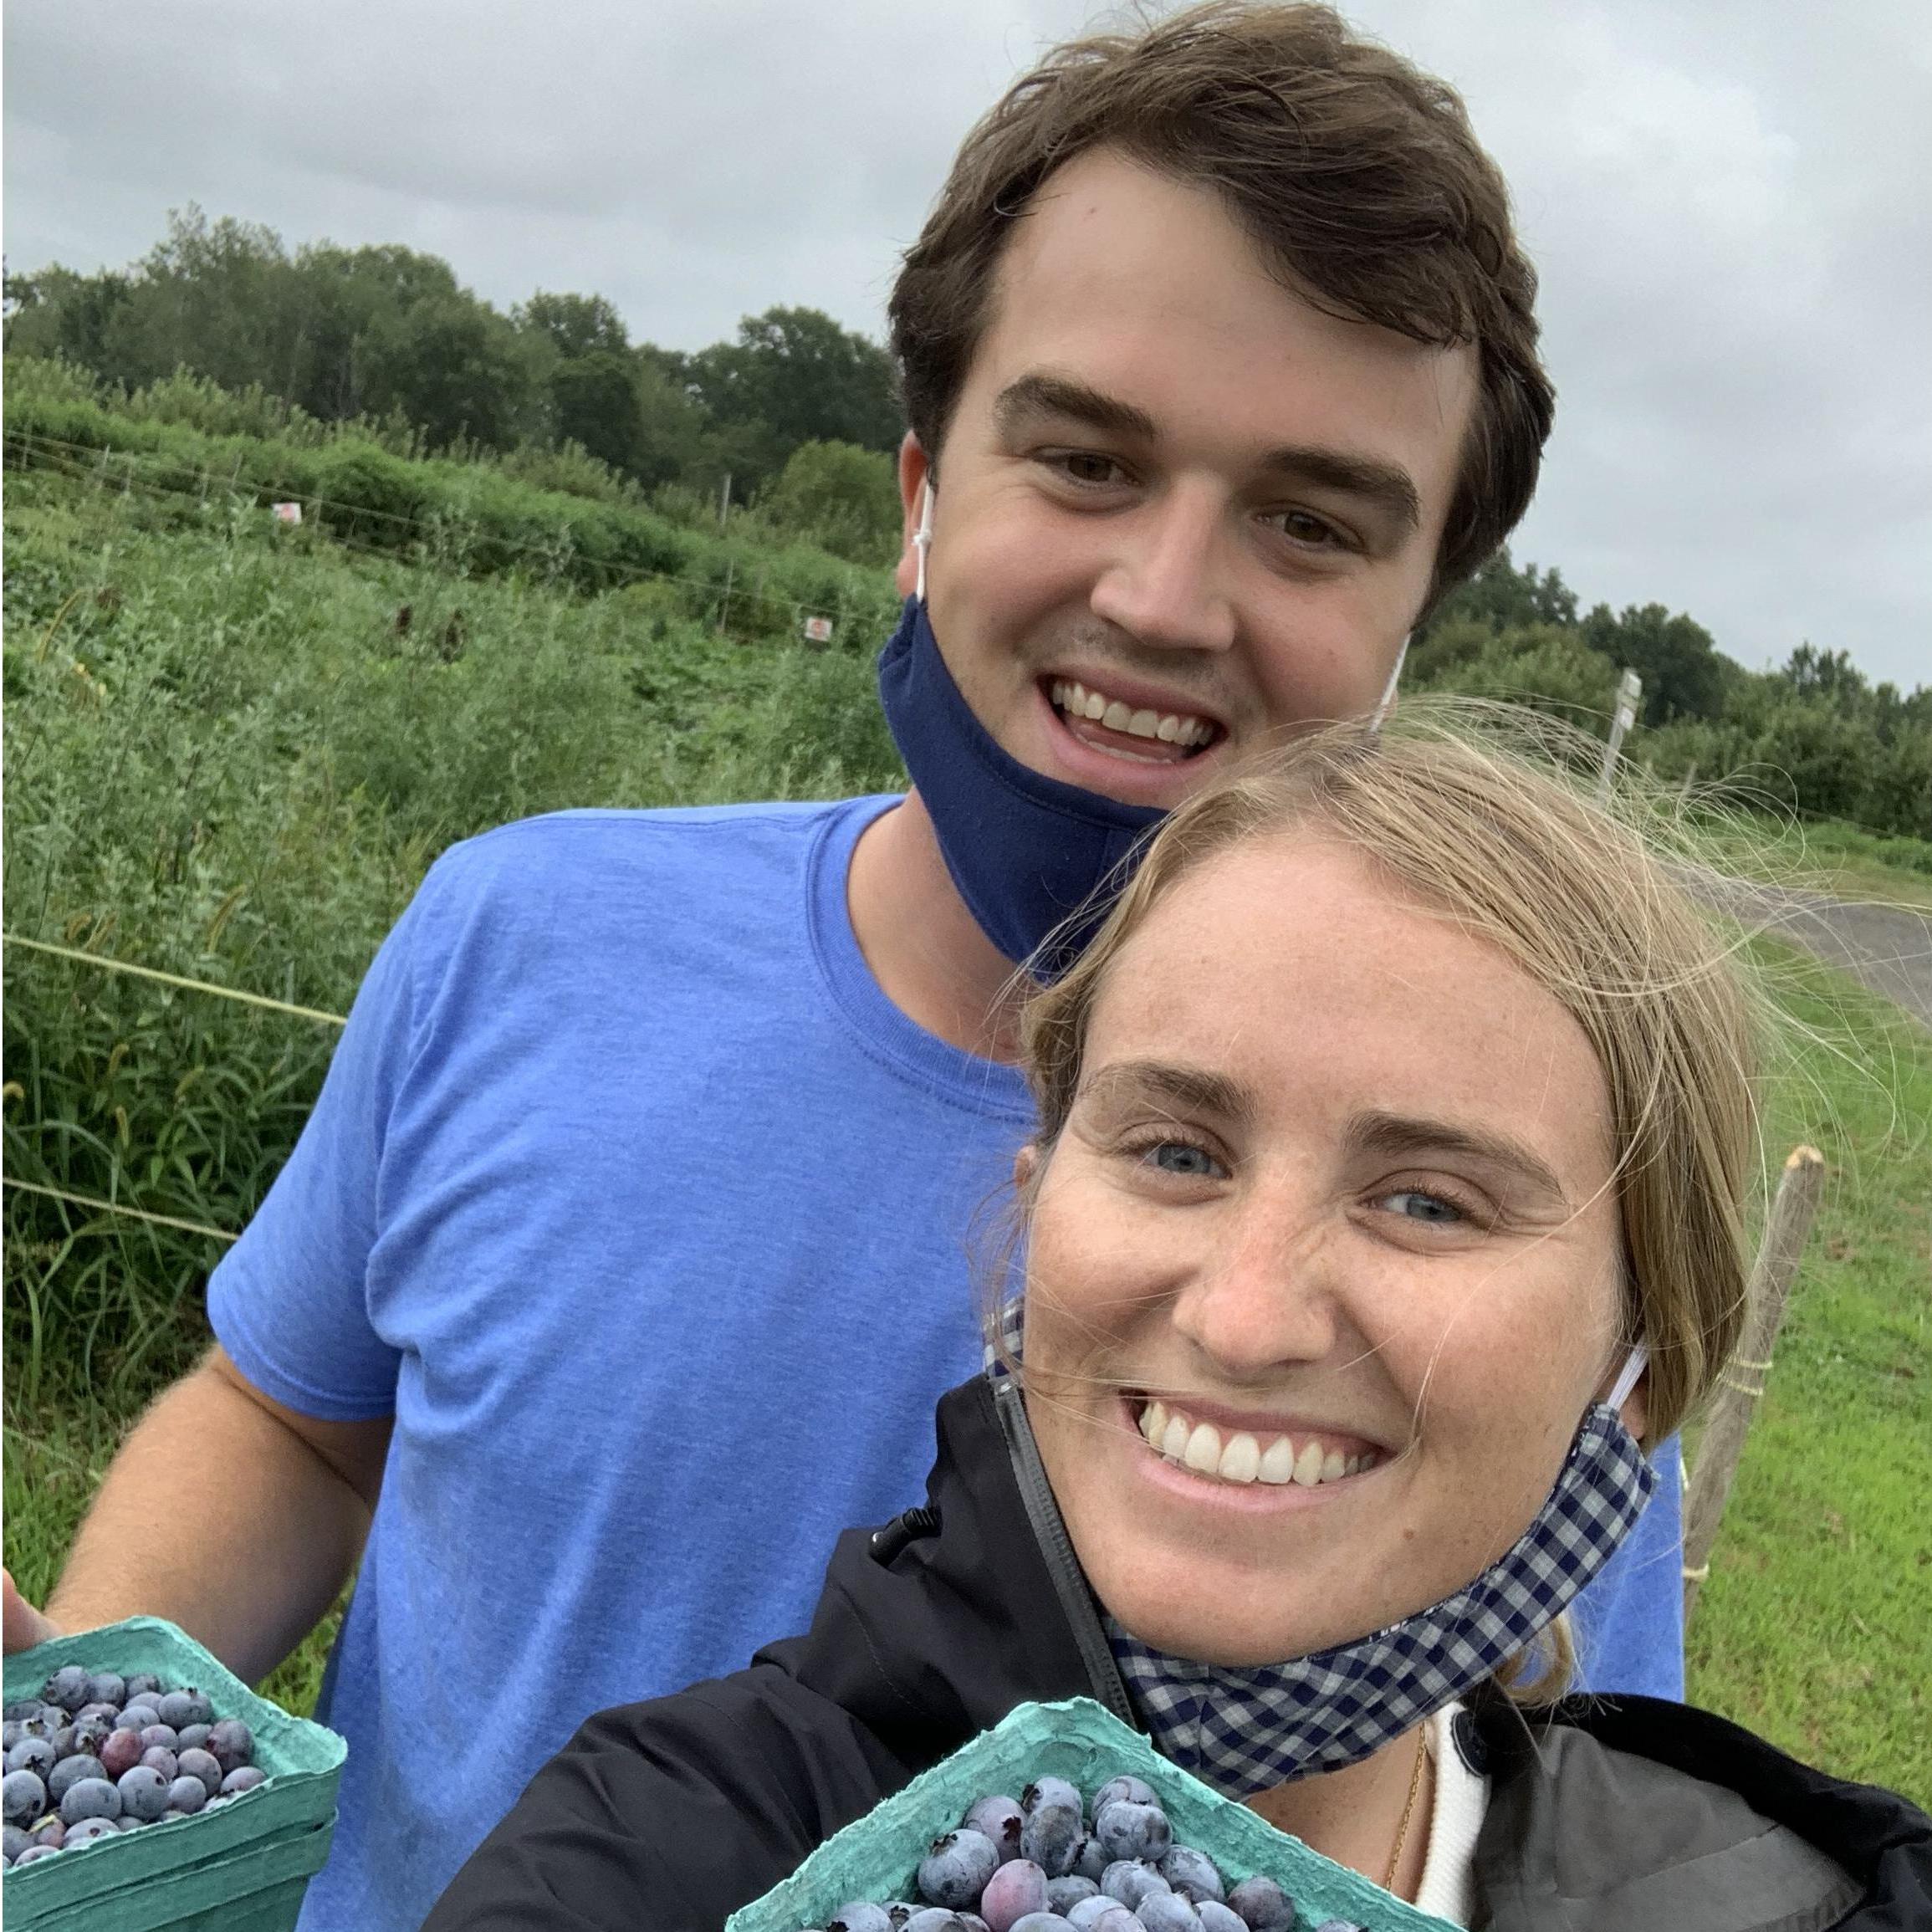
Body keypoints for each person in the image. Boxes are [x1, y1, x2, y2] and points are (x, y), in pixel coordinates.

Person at [3, 7, 1687, 1924]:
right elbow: (294, 1420)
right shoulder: (524, 937)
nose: (1162, 598)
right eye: (1085, 460)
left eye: (1311, 522)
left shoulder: (1494, 1282)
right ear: (917, 500)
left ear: (1414, 619)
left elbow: (1541, 1826)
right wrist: (90, 1748)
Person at [425, 723, 1932, 1931]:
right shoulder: (683, 1847)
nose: (1247, 1313)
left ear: (1641, 1373)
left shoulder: (1801, 1895)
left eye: (1427, 1200)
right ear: (1036, 1214)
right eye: (1177, 1152)